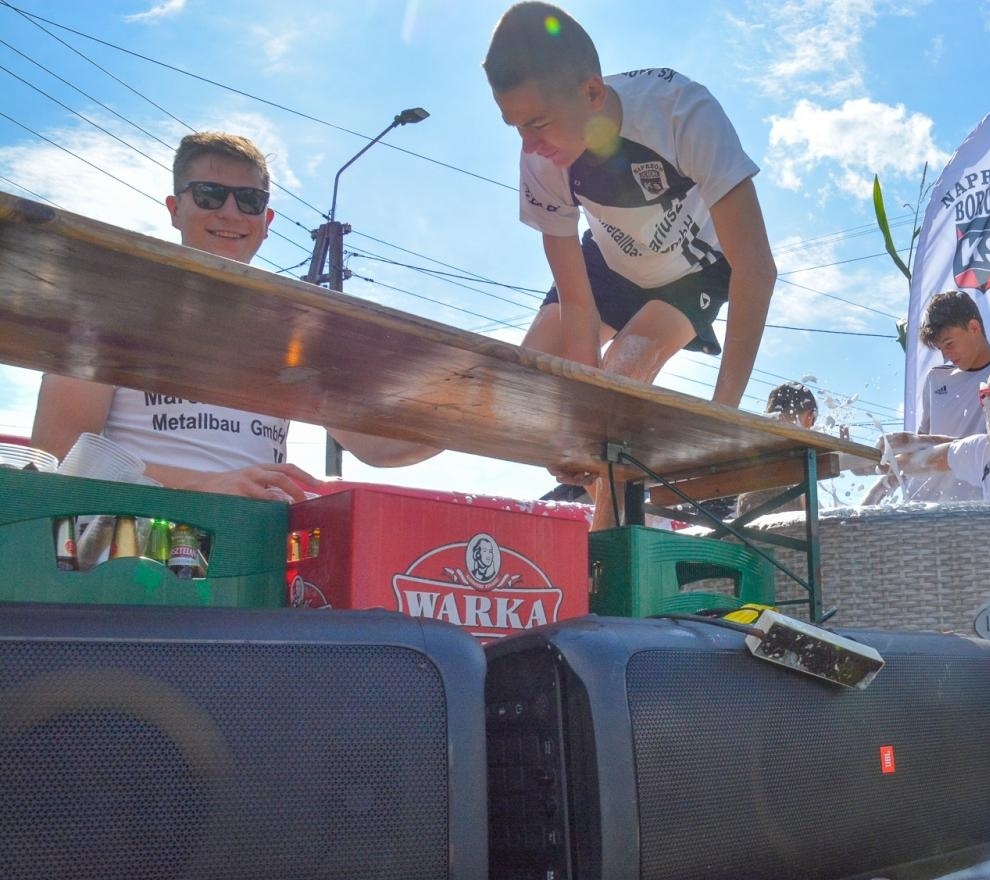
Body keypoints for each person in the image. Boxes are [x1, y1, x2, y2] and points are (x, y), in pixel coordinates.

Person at [484, 2, 777, 525]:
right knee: (526, 392)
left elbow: (755, 268)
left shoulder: (681, 110)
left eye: (537, 124)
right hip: (612, 262)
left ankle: (602, 565)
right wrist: (577, 416)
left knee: (621, 383)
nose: (527, 145)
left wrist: (723, 414)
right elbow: (576, 301)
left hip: (693, 269)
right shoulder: (540, 156)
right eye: (513, 126)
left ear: (592, 93)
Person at [30, 131, 437, 501]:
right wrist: (208, 483)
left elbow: (379, 446)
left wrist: (470, 400)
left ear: (267, 221)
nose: (230, 212)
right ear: (175, 208)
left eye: (249, 200)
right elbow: (56, 451)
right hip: (138, 547)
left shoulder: (292, 332)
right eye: (209, 194)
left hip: (257, 545)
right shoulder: (112, 305)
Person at [879, 290, 990, 503]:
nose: (946, 356)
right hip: (920, 506)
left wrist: (925, 442)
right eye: (940, 348)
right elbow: (920, 441)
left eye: (949, 344)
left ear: (974, 328)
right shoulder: (936, 378)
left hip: (976, 511)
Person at [885, 353, 990, 500]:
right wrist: (881, 461)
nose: (982, 405)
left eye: (984, 395)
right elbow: (926, 460)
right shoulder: (985, 452)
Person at [733, 382, 817, 518]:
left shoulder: (752, 445)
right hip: (792, 531)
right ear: (810, 417)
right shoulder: (801, 455)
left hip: (745, 524)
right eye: (813, 421)